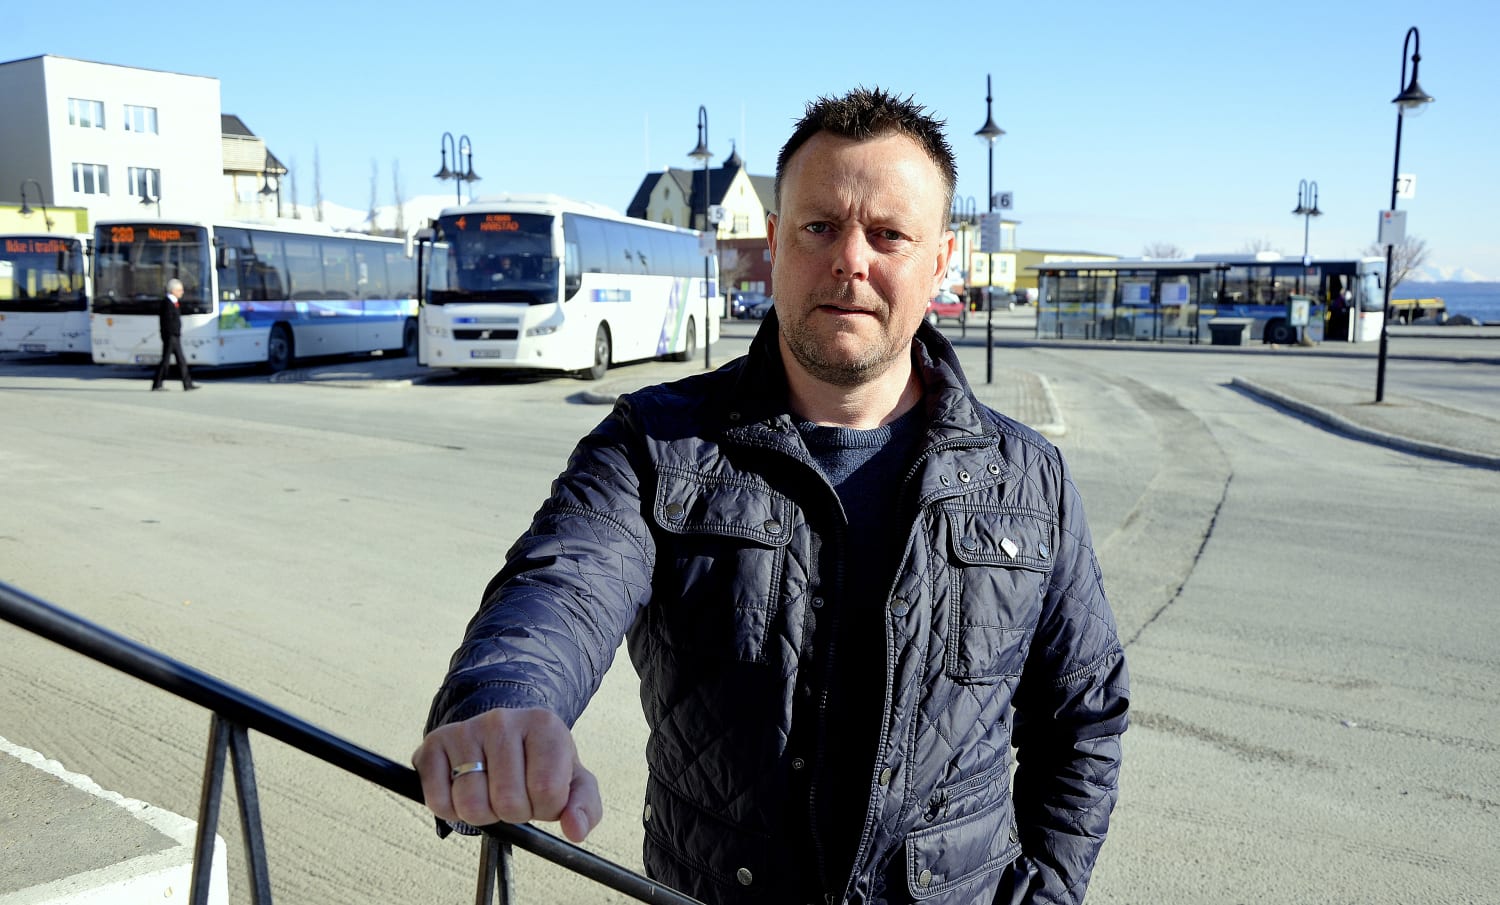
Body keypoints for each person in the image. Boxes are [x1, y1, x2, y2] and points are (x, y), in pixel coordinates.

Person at [414, 87, 1129, 905]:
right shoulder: (657, 445)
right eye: (819, 226)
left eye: (888, 234)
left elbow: (1083, 718)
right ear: (775, 241)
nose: (850, 259)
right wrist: (505, 699)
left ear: (940, 261)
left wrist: (1048, 892)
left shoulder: (1028, 477)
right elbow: (561, 587)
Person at [151, 278, 197, 391]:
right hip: (171, 336)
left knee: (180, 360)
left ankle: (187, 384)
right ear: (173, 290)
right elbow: (167, 321)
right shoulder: (167, 303)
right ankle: (157, 384)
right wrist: (170, 334)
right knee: (166, 361)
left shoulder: (174, 302)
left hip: (175, 335)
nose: (182, 292)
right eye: (180, 290)